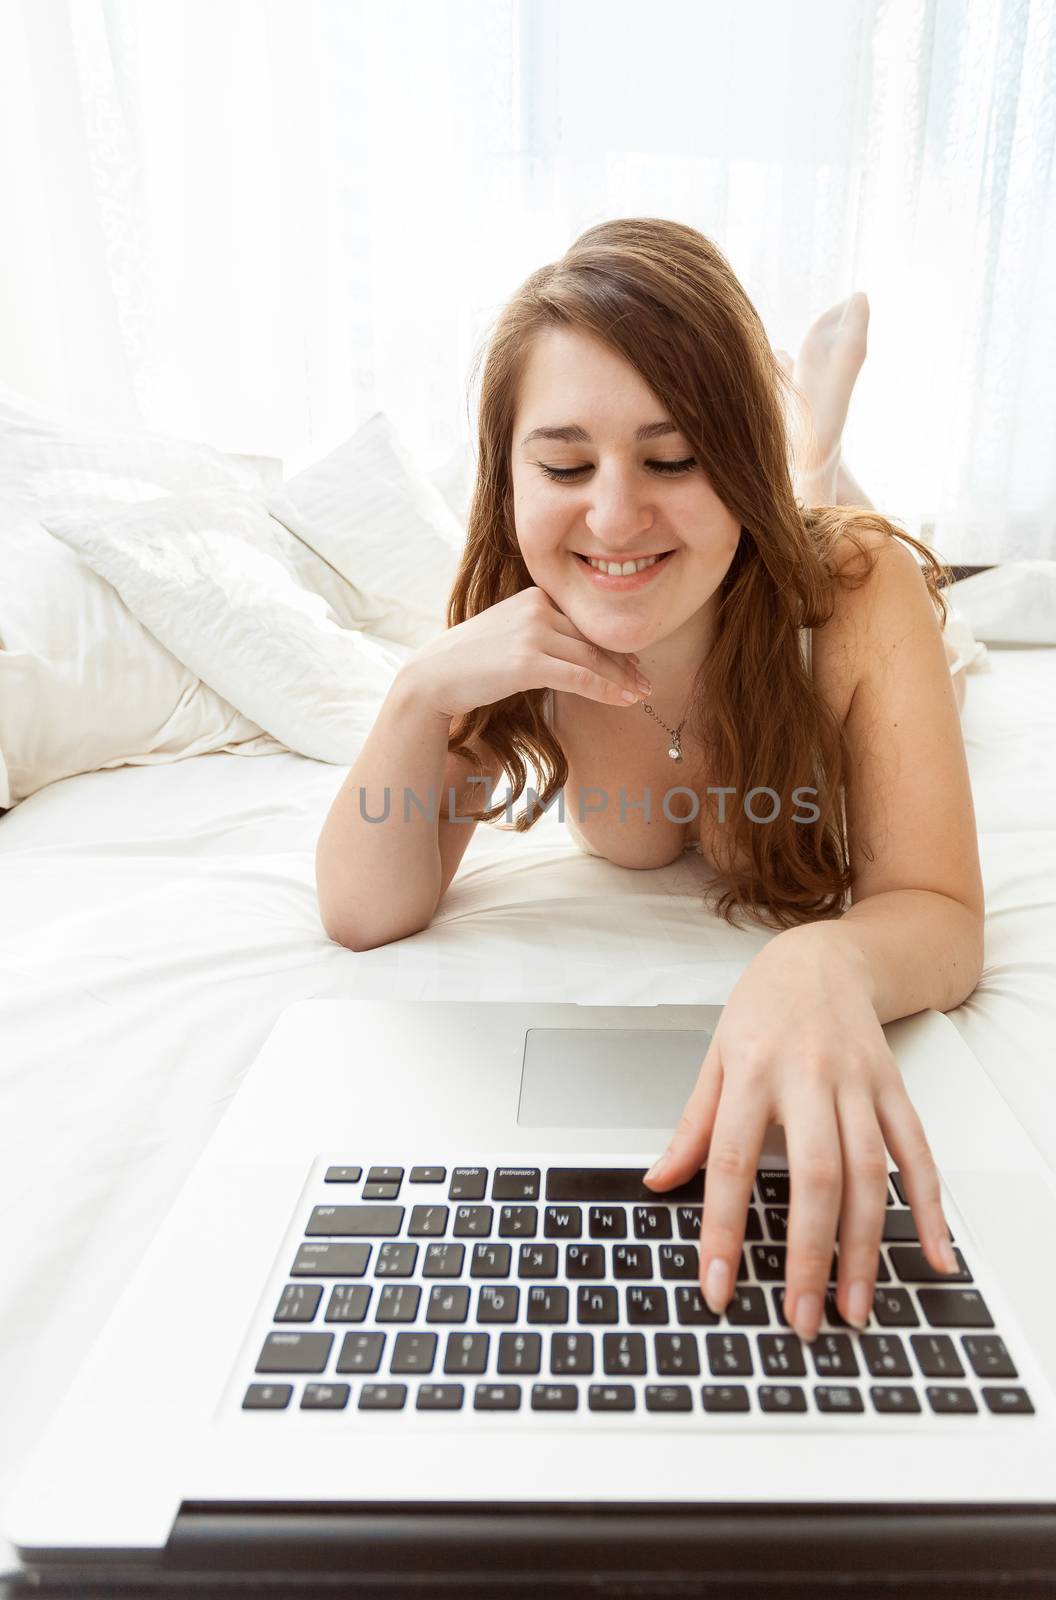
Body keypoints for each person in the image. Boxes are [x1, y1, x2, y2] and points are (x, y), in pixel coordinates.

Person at [315, 218, 984, 1349]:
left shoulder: (860, 595)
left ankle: (810, 444)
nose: (613, 517)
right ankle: (796, 444)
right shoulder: (518, 625)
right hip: (733, 551)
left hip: (818, 600)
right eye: (566, 465)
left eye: (673, 459)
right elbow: (366, 908)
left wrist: (821, 953)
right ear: (510, 474)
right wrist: (416, 694)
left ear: (729, 457)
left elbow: (941, 912)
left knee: (893, 584)